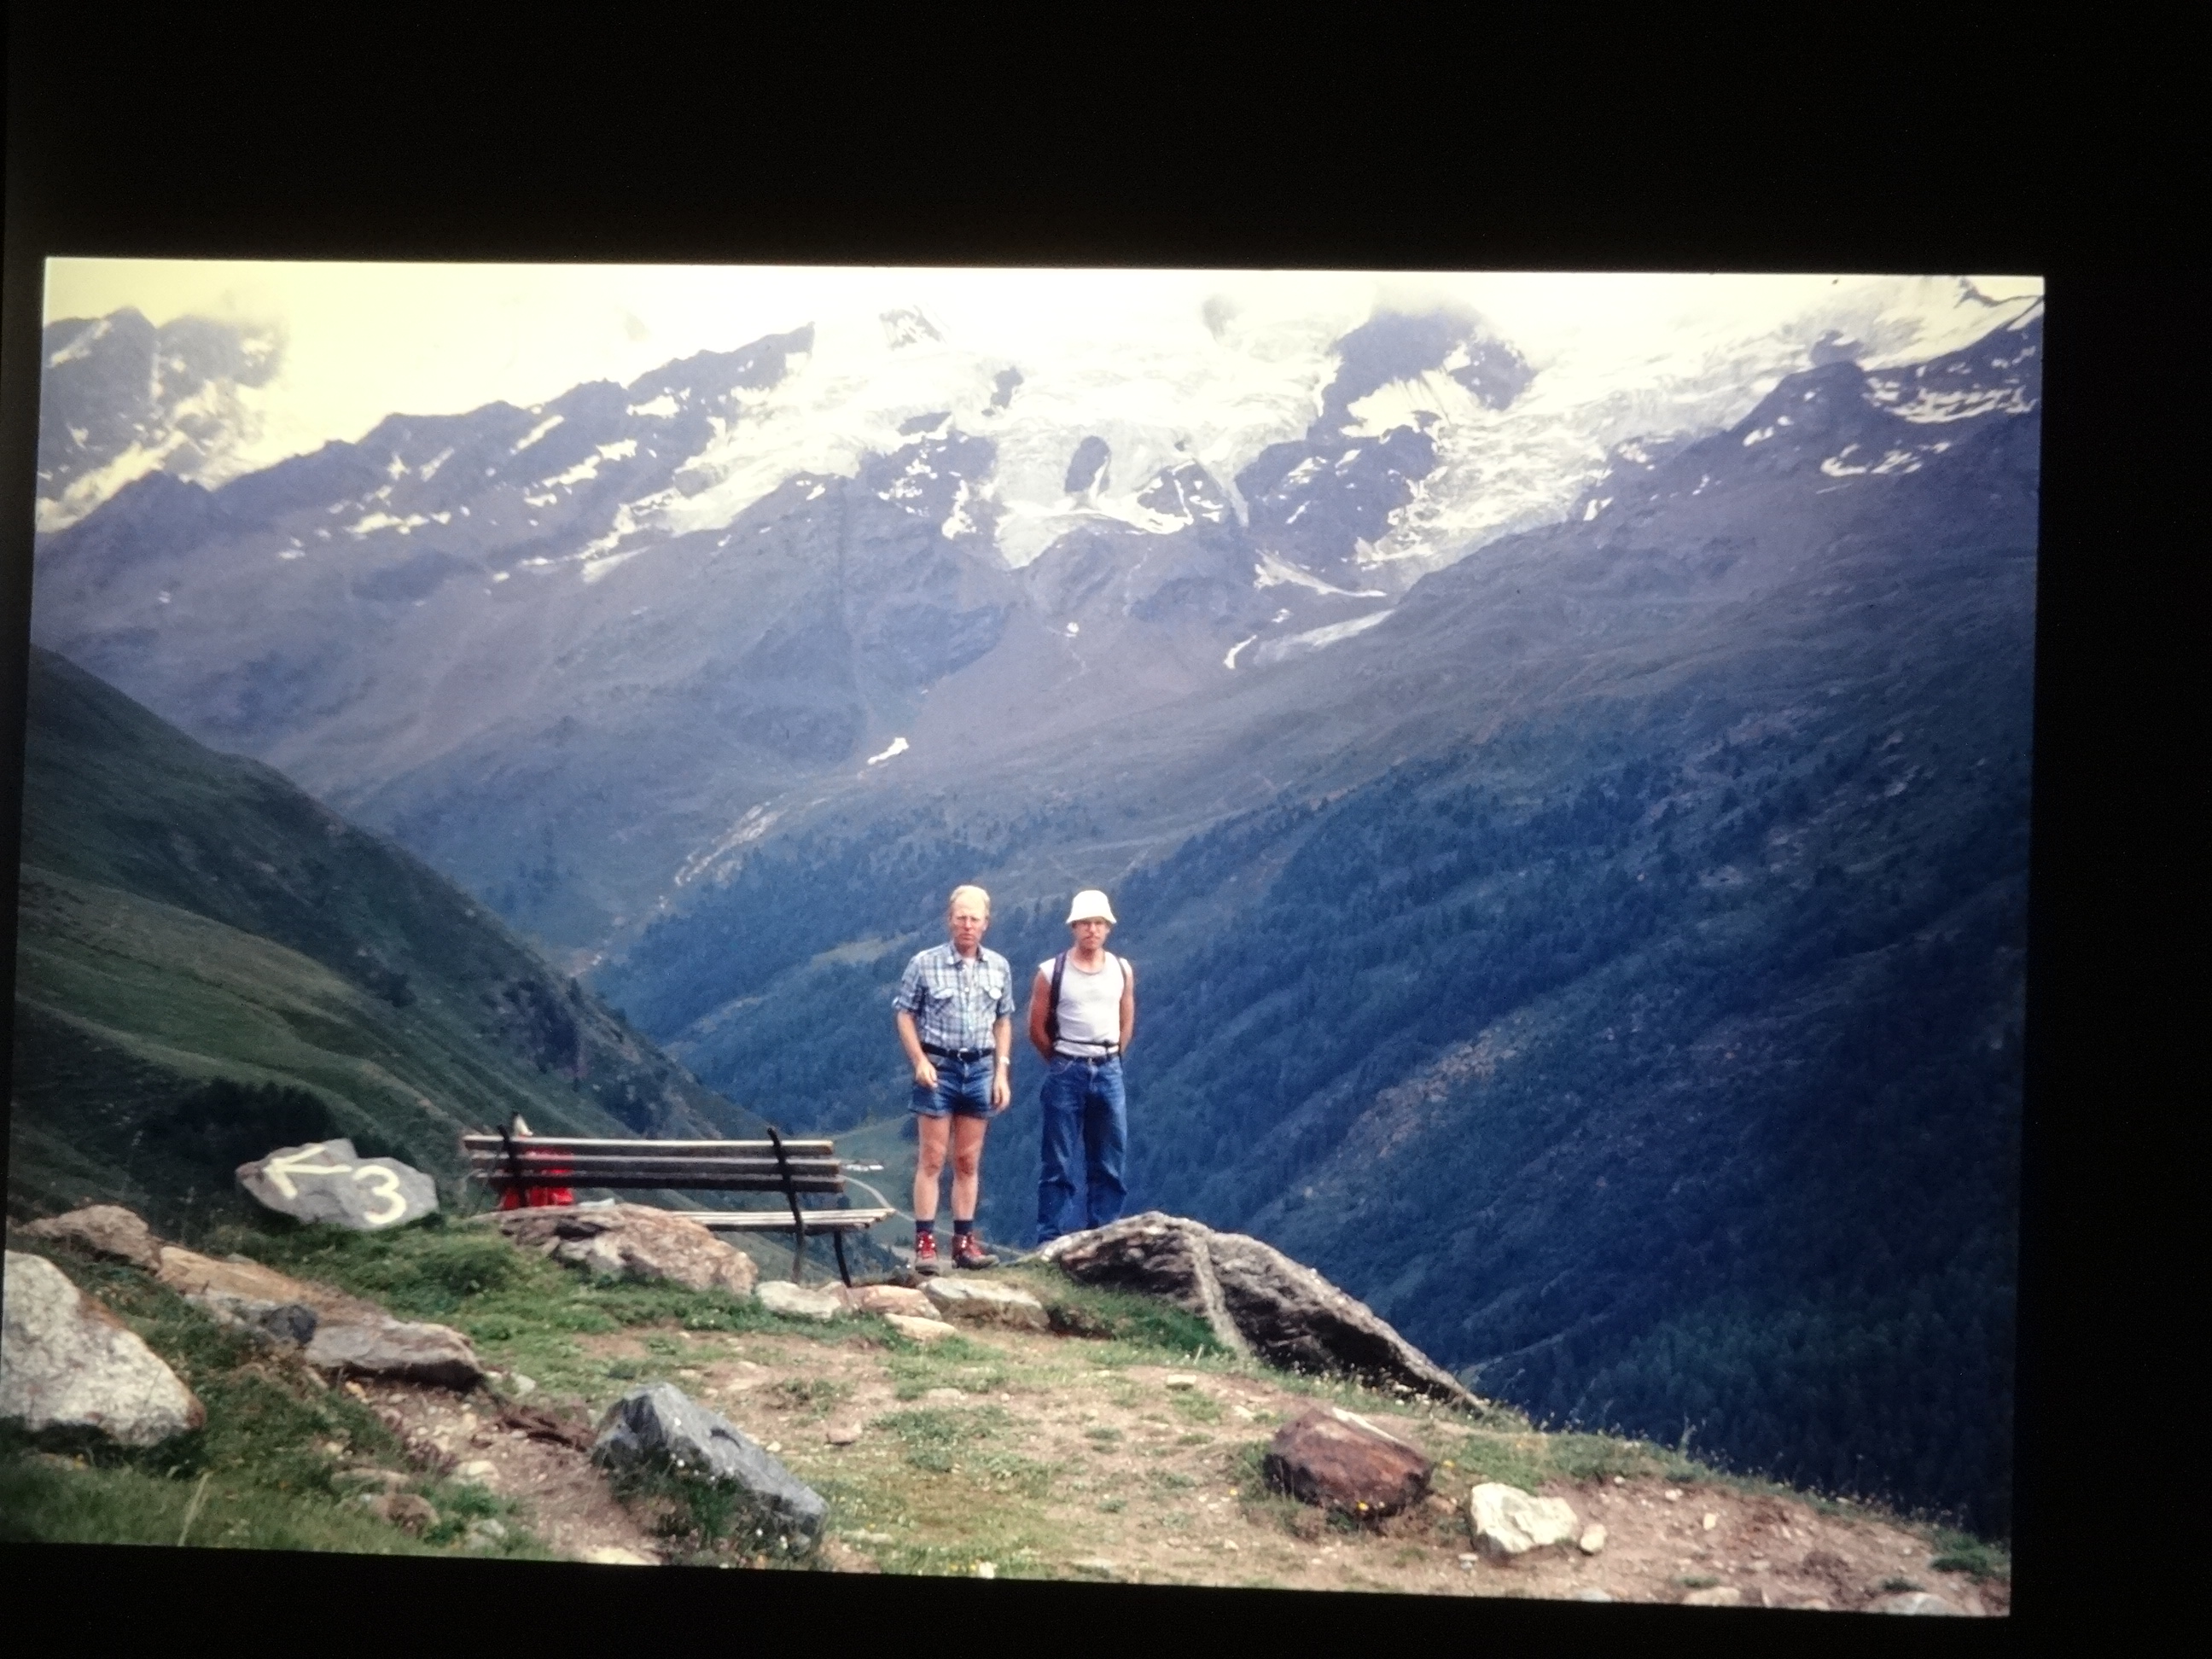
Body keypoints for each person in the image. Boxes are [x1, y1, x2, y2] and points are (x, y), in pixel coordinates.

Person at [893, 884, 1015, 1273]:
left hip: (980, 1069)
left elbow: (1003, 1020)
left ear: (986, 924)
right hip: (939, 1069)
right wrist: (919, 1061)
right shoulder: (924, 963)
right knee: (931, 1158)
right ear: (950, 920)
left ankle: (965, 1244)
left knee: (967, 1160)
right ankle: (925, 1245)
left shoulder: (999, 966)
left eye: (974, 919)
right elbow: (904, 1013)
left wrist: (1002, 1071)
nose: (967, 925)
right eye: (960, 917)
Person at [1028, 888, 1135, 1246]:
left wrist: (1115, 1053)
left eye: (1099, 923)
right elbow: (1036, 1028)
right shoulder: (1050, 972)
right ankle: (1050, 1239)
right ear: (1074, 927)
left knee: (1109, 1158)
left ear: (1108, 928)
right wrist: (1061, 1061)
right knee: (1057, 1160)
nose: (1092, 929)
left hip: (1108, 1069)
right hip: (1067, 1070)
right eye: (1086, 923)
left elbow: (1126, 1015)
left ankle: (1103, 1236)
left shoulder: (1121, 970)